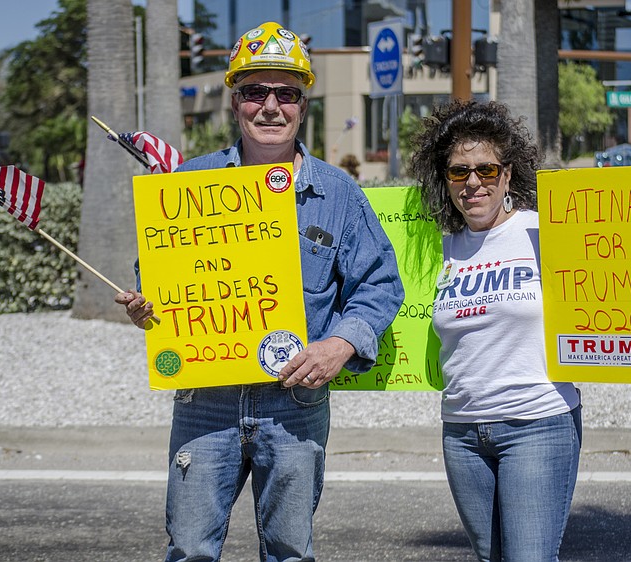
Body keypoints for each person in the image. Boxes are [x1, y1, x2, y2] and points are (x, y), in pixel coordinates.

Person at [115, 22, 403, 562]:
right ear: (234, 101)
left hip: (296, 404)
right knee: (190, 551)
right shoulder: (189, 186)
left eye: (286, 93)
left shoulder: (338, 193)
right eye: (254, 92)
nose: (270, 106)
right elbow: (153, 282)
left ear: (302, 104)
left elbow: (380, 284)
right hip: (205, 401)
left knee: (291, 553)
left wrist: (339, 345)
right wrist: (144, 306)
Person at [409, 100, 631, 562]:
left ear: (508, 175)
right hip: (461, 432)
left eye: (486, 169)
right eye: (458, 172)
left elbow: (622, 280)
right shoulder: (432, 251)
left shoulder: (545, 232)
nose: (473, 183)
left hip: (538, 425)